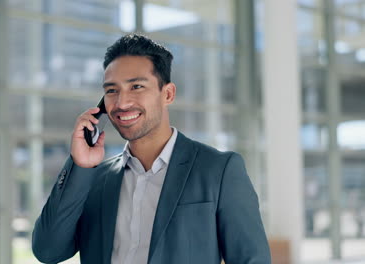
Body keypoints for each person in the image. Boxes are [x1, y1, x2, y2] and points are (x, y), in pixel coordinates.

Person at [32, 34, 271, 264]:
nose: (122, 103)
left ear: (167, 94)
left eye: (136, 87)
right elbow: (48, 251)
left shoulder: (219, 171)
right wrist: (81, 165)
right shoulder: (94, 179)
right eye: (112, 90)